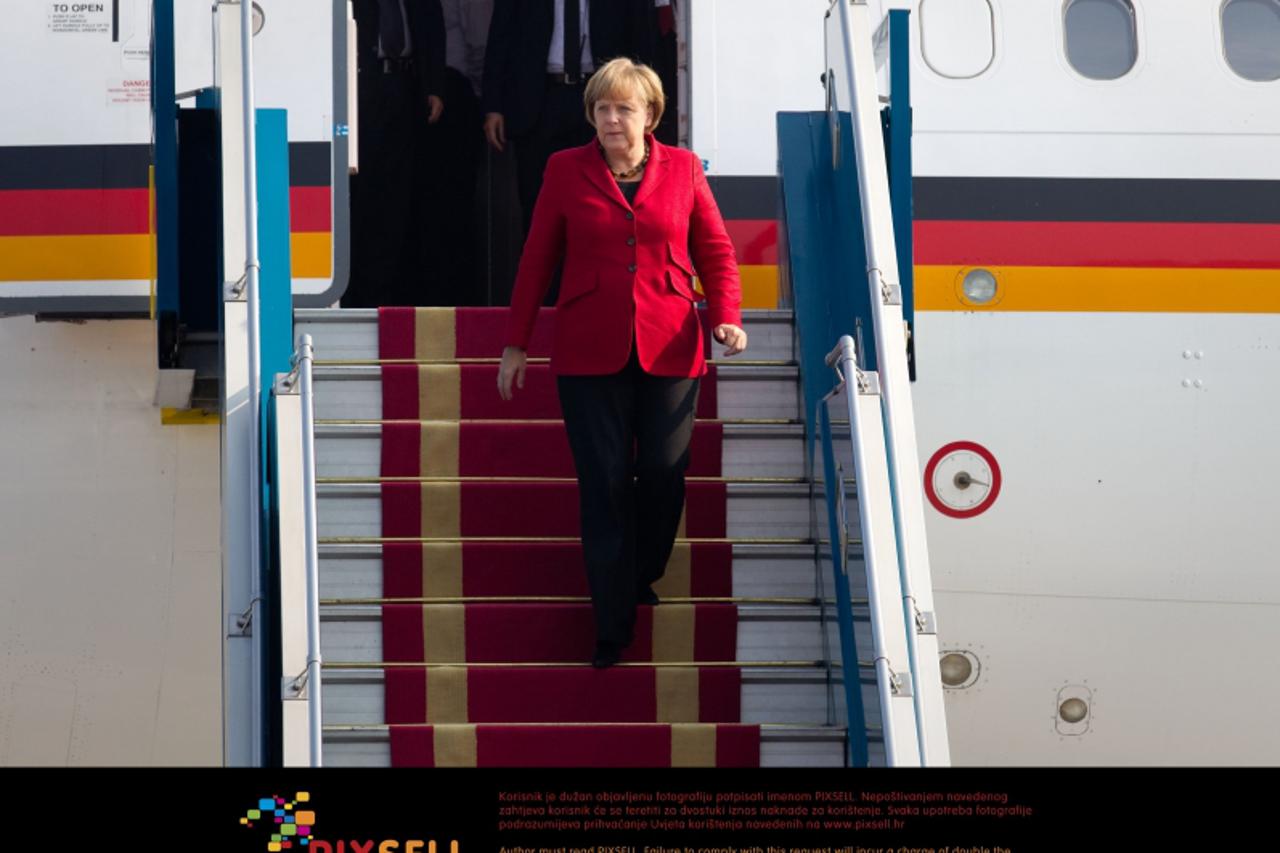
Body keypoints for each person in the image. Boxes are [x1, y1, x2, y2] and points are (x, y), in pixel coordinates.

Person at [496, 58, 748, 668]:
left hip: (671, 341)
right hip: (589, 347)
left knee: (663, 473)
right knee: (604, 482)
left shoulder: (684, 169)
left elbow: (715, 248)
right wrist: (516, 341)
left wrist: (727, 314)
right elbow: (537, 257)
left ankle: (641, 573)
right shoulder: (564, 169)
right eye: (603, 108)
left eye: (624, 109)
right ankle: (612, 625)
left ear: (649, 115)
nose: (612, 119)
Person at [480, 0, 656, 240]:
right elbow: (501, 35)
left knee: (603, 199)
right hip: (540, 100)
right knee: (538, 202)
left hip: (603, 97)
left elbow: (640, 35)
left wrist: (644, 102)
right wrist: (493, 105)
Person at [345, 0, 446, 308]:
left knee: (397, 197)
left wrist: (434, 85)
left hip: (405, 87)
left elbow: (431, 25)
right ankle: (354, 296)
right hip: (358, 88)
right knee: (359, 194)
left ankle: (385, 296)